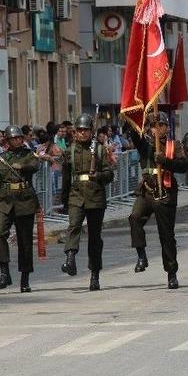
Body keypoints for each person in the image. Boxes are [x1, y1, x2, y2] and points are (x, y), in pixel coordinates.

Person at [128, 112, 188, 289]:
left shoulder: (173, 145)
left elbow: (184, 166)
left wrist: (165, 161)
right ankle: (141, 255)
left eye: (161, 125)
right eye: (154, 126)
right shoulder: (145, 144)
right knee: (134, 218)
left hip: (165, 192)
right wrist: (136, 121)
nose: (158, 129)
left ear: (167, 128)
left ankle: (171, 272)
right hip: (147, 190)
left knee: (166, 235)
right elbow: (134, 135)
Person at [60, 114, 115, 291]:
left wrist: (98, 175)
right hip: (76, 195)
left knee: (94, 238)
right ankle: (70, 258)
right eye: (80, 130)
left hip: (95, 196)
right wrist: (64, 200)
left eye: (86, 130)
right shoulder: (70, 150)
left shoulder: (98, 150)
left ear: (91, 131)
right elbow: (66, 177)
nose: (82, 133)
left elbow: (109, 174)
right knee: (73, 226)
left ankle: (94, 274)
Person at [0, 125, 40, 293]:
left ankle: (25, 278)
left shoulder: (29, 155)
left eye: (19, 138)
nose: (17, 140)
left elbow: (34, 166)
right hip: (4, 200)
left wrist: (21, 167)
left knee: (25, 241)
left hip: (24, 200)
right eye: (14, 138)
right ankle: (4, 273)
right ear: (7, 141)